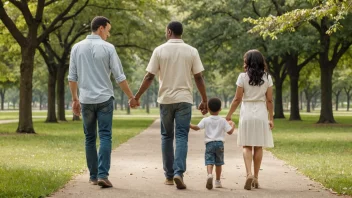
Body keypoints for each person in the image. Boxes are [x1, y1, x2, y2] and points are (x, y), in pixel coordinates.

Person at [134, 21, 208, 189]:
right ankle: (178, 173)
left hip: (166, 100)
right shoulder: (192, 51)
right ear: (181, 33)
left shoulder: (159, 51)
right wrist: (204, 100)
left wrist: (137, 96)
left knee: (167, 137)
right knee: (182, 136)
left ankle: (168, 176)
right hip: (184, 100)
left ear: (168, 32)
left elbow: (149, 77)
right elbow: (198, 77)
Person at [68, 16, 138, 188]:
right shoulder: (108, 48)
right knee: (105, 136)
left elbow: (72, 77)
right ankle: (103, 175)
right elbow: (119, 76)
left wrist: (75, 99)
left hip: (86, 100)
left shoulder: (76, 48)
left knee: (90, 138)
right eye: (108, 30)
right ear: (100, 28)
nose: (109, 34)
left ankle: (93, 176)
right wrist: (131, 96)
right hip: (105, 99)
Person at [226, 49, 274, 190]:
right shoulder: (267, 77)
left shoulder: (242, 77)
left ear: (248, 62)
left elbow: (237, 99)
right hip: (260, 113)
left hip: (246, 113)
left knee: (246, 145)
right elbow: (269, 100)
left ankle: (248, 174)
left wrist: (229, 115)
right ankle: (256, 178)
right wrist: (271, 118)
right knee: (258, 146)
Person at [190, 97, 235, 190]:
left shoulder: (205, 120)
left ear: (208, 109)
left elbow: (197, 127)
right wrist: (232, 124)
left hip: (209, 144)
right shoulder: (223, 120)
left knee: (209, 161)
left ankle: (210, 175)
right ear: (220, 109)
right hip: (219, 144)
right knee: (219, 163)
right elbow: (230, 132)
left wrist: (188, 124)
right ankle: (218, 181)